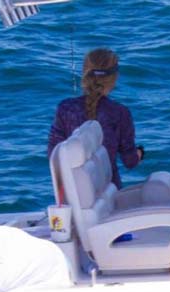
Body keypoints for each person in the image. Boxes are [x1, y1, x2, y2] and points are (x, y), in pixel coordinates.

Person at [47, 48, 143, 189]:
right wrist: (140, 153)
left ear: (85, 73)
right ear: (114, 78)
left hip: (73, 195)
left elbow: (54, 155)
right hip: (111, 195)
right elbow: (130, 161)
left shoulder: (65, 109)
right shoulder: (120, 113)